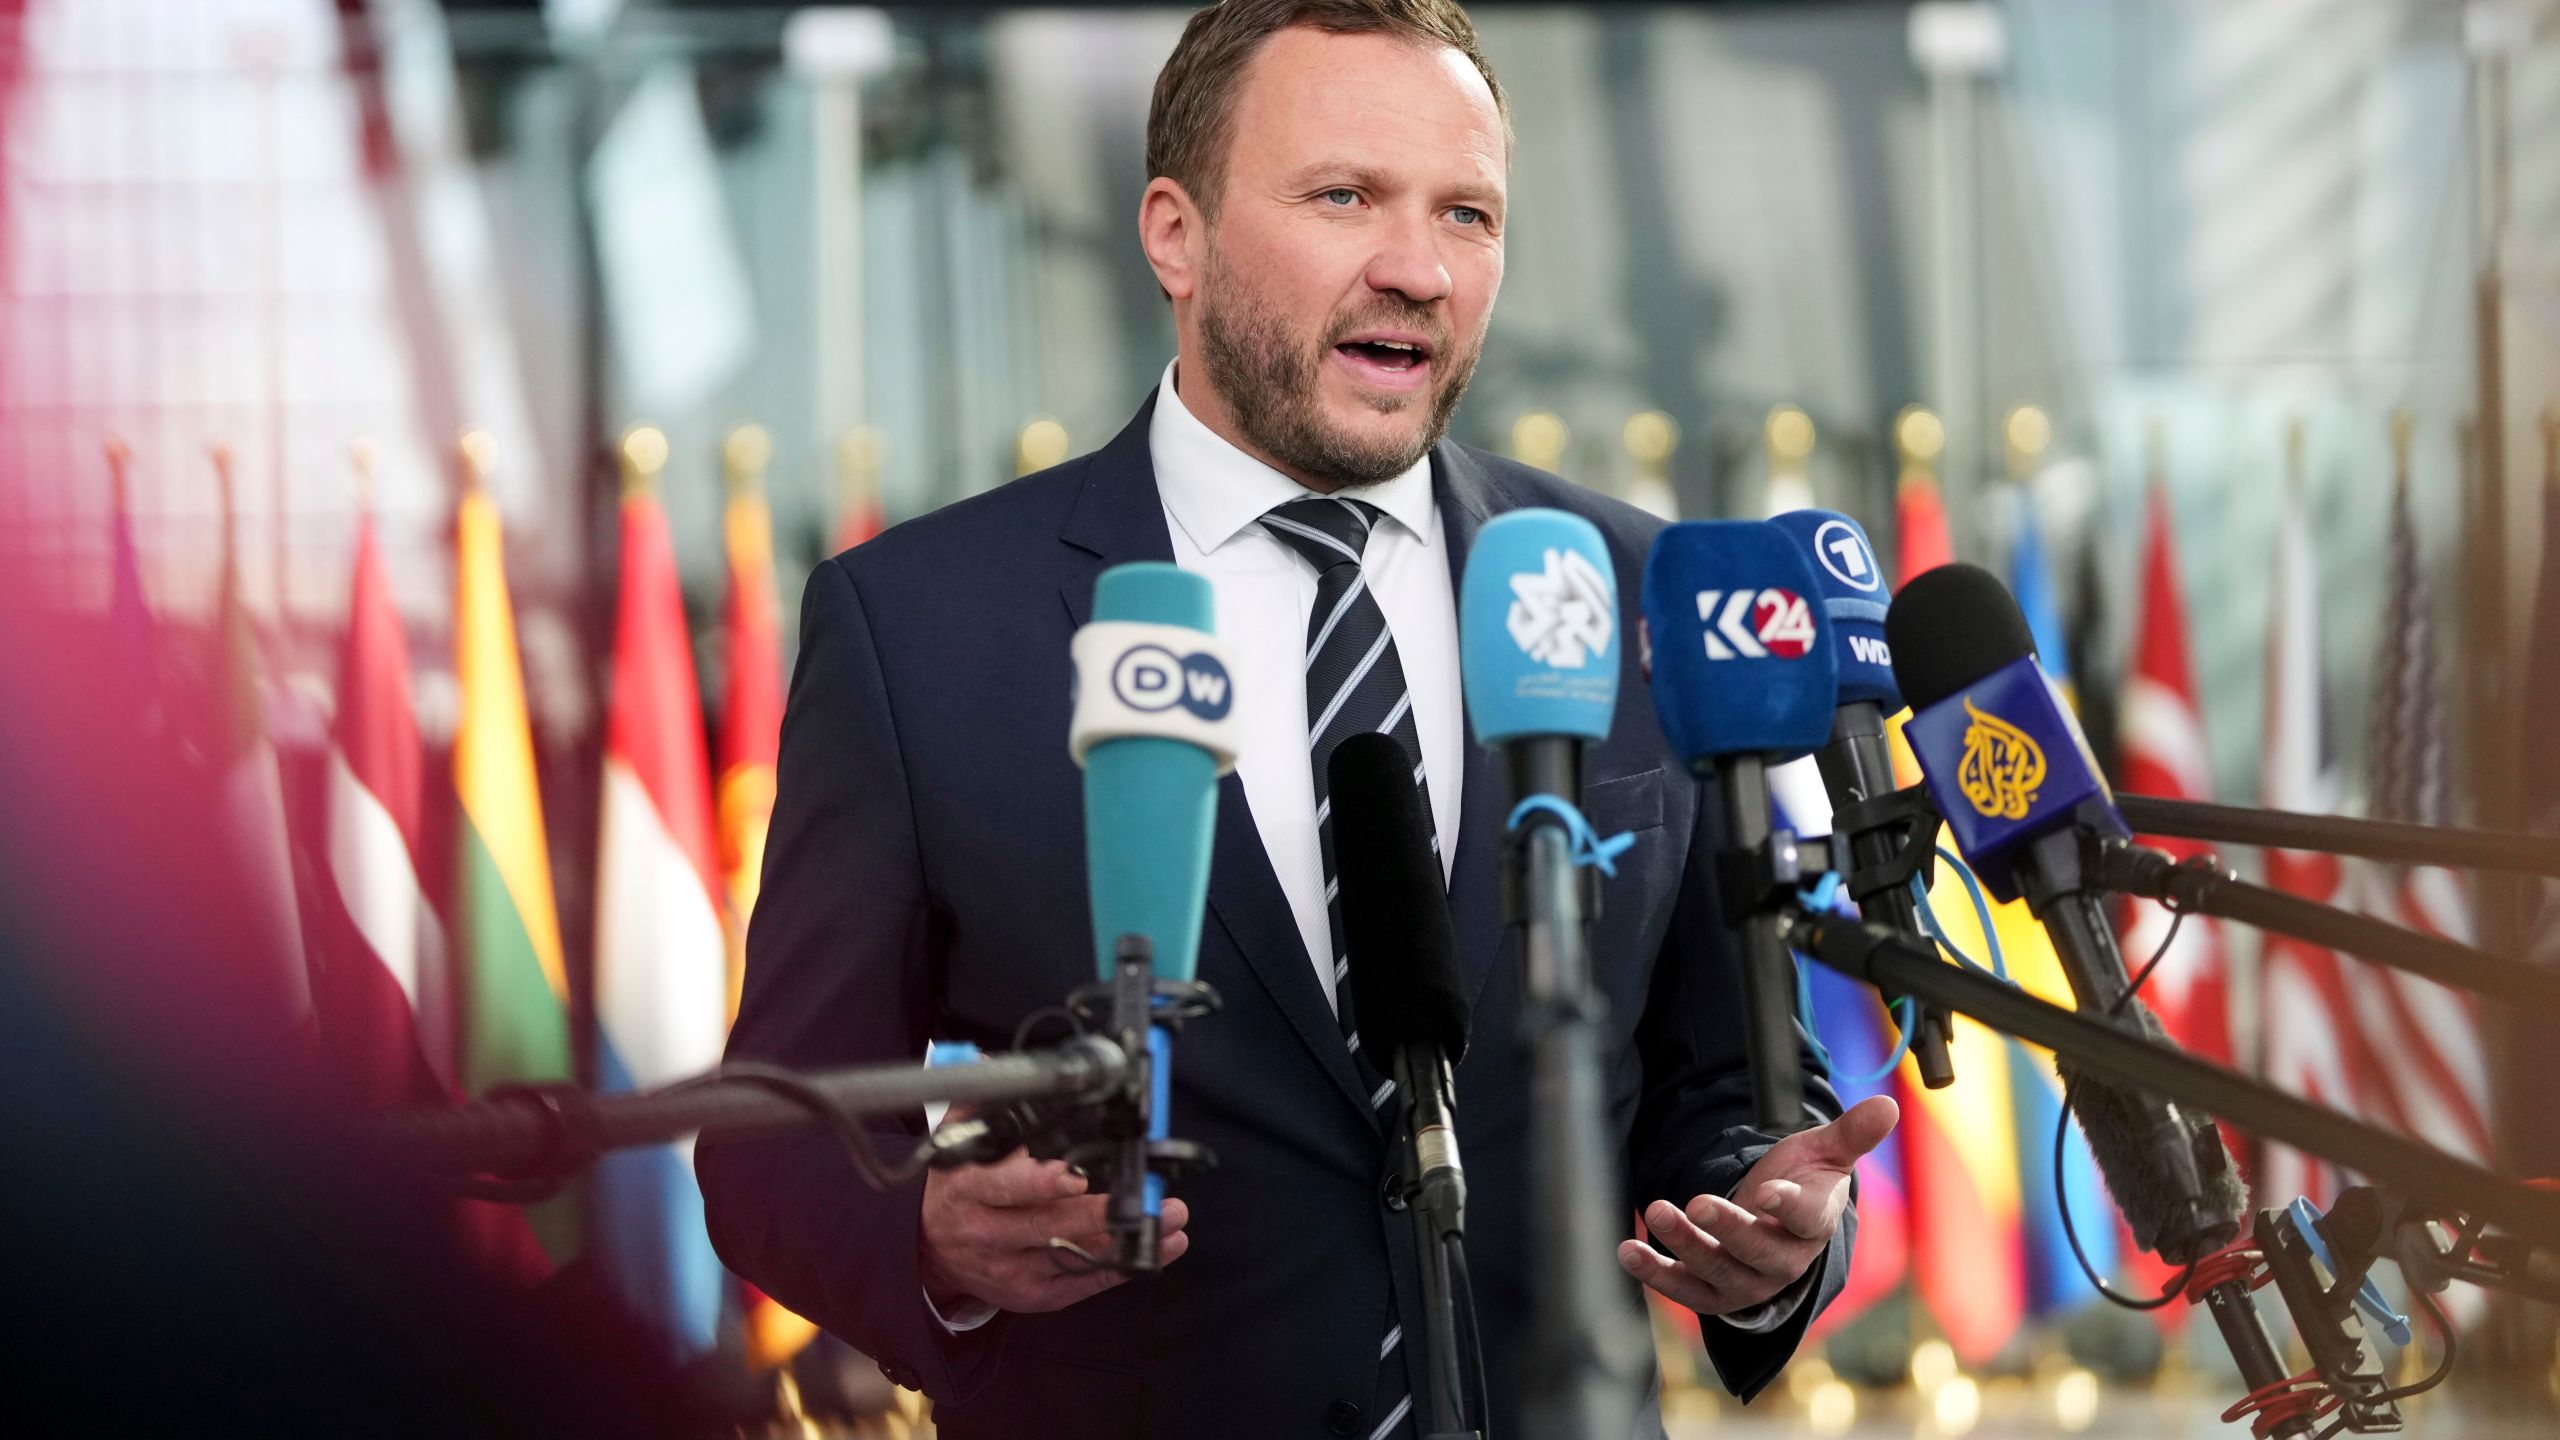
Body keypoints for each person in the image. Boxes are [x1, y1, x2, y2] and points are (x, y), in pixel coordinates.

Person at [698, 3, 1896, 1435]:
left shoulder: (1623, 591)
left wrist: (1768, 1229)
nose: (1417, 269)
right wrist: (935, 1244)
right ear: (1173, 237)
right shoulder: (921, 628)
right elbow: (774, 1149)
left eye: (1468, 213)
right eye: (1344, 197)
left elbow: (1725, 1082)